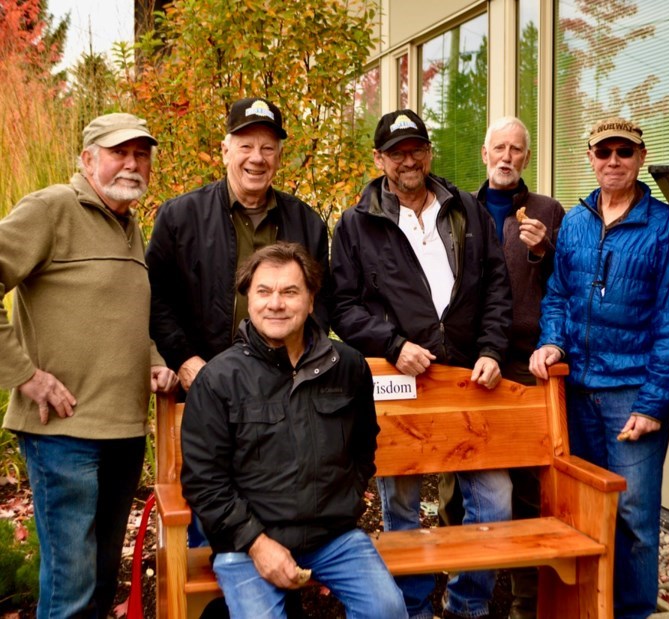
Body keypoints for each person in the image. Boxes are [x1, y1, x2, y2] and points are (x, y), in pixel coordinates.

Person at [330, 109, 513, 619]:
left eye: (415, 148)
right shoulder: (356, 223)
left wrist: (492, 349)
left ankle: (466, 606)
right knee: (403, 505)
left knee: (494, 497)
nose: (407, 159)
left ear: (428, 152)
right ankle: (409, 608)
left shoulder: (467, 210)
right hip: (399, 384)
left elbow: (497, 285)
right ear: (378, 159)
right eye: (396, 152)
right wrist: (392, 345)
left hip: (470, 380)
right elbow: (343, 306)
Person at [0, 113, 178, 618]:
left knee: (101, 581)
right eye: (119, 152)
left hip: (121, 428)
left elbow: (121, 316)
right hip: (63, 431)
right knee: (72, 585)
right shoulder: (52, 208)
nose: (132, 163)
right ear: (87, 158)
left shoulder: (129, 224)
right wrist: (24, 375)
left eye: (141, 154)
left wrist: (154, 360)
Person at [180, 242, 406, 619]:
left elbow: (363, 447)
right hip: (247, 544)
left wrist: (348, 497)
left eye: (290, 291)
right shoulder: (219, 379)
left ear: (311, 299)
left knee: (387, 610)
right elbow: (205, 482)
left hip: (332, 539)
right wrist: (256, 543)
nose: (276, 303)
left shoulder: (348, 367)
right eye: (264, 291)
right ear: (248, 299)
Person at [529, 117, 669, 619]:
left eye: (624, 151)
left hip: (631, 393)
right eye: (604, 152)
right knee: (584, 511)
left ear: (641, 158)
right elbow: (557, 295)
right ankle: (592, 610)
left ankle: (634, 611)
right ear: (590, 157)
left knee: (635, 518)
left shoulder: (664, 225)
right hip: (576, 392)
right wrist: (552, 341)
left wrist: (654, 400)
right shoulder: (573, 222)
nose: (613, 161)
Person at [438, 116, 565, 619]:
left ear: (526, 159)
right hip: (462, 364)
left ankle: (522, 602)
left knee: (525, 489)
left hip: (521, 364)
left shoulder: (548, 211)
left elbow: (566, 284)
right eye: (499, 148)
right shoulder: (458, 211)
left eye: (516, 149)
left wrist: (541, 250)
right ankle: (465, 596)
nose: (507, 157)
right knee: (454, 485)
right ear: (485, 156)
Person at [146, 96, 330, 393]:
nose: (256, 158)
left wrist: (300, 363)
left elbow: (319, 305)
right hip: (201, 385)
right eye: (245, 146)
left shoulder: (307, 223)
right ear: (225, 151)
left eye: (267, 148)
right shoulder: (180, 217)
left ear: (279, 158)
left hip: (286, 388)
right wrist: (183, 358)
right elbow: (156, 298)